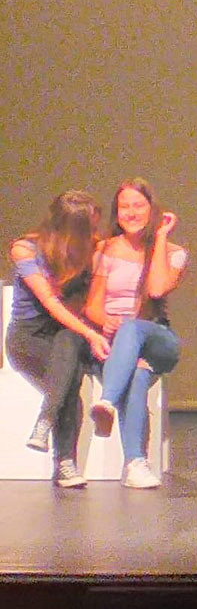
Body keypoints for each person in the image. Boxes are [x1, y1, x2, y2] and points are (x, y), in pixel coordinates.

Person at [84, 179, 187, 490]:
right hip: (117, 343)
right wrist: (105, 321)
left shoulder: (173, 253)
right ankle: (135, 463)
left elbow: (156, 289)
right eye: (124, 207)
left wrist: (161, 236)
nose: (131, 213)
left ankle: (107, 401)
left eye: (138, 205)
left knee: (132, 327)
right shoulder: (105, 249)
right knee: (137, 378)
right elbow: (92, 306)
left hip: (156, 338)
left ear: (152, 209)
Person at [5, 191, 111, 488]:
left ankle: (46, 422)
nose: (95, 230)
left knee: (69, 343)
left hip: (67, 335)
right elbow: (51, 302)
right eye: (89, 225)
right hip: (29, 338)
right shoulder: (26, 250)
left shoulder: (93, 249)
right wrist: (90, 333)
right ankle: (64, 463)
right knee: (68, 383)